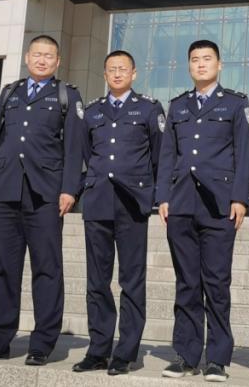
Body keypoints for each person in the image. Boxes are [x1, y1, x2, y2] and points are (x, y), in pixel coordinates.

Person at [0, 34, 84, 366]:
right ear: (27, 58)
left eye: (49, 56)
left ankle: (42, 344)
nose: (42, 60)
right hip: (5, 190)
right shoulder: (10, 92)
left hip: (45, 193)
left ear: (57, 61)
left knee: (47, 269)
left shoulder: (67, 95)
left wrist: (69, 189)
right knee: (3, 267)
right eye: (37, 54)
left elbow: (74, 147)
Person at [155, 39, 249, 383]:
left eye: (207, 59)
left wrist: (240, 198)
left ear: (219, 64)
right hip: (181, 203)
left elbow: (244, 154)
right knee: (187, 283)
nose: (200, 64)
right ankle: (186, 355)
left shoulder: (236, 103)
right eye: (194, 59)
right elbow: (167, 155)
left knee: (217, 283)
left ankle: (218, 358)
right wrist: (163, 197)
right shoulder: (178, 105)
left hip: (219, 204)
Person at [69, 50, 163, 376]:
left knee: (131, 280)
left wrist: (151, 194)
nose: (118, 73)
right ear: (105, 74)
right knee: (97, 281)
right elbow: (86, 152)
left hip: (132, 203)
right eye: (112, 69)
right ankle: (98, 350)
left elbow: (158, 156)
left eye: (123, 69)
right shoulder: (92, 110)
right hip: (98, 202)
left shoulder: (149, 108)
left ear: (134, 74)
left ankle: (126, 352)